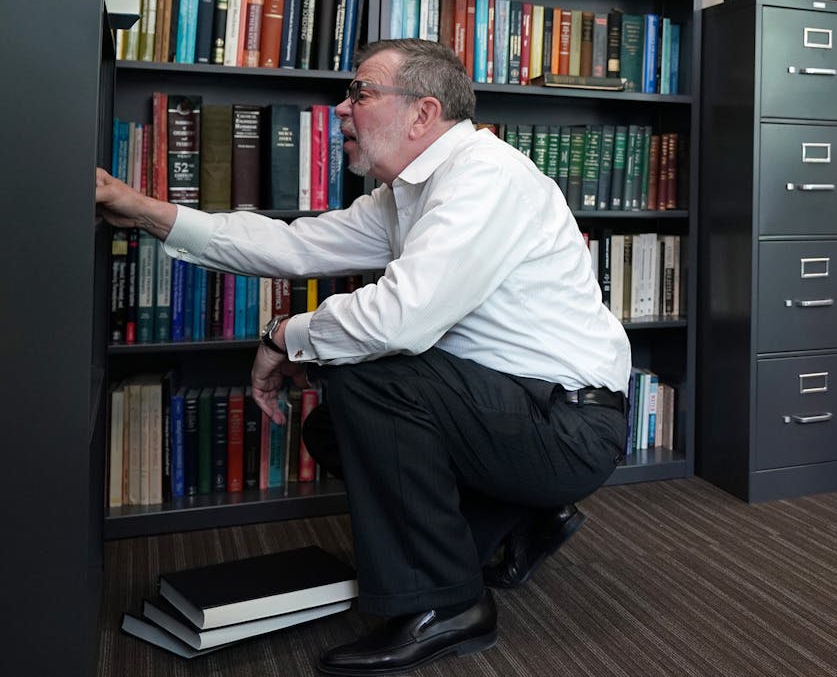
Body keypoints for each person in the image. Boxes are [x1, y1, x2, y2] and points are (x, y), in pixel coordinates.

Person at [95, 39, 630, 676]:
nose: (341, 109)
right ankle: (518, 515)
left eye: (360, 93)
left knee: (372, 375)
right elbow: (292, 246)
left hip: (568, 427)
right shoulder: (404, 195)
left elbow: (402, 318)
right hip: (514, 411)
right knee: (335, 428)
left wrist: (283, 335)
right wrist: (144, 211)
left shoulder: (486, 178)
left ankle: (450, 605)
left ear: (423, 114)